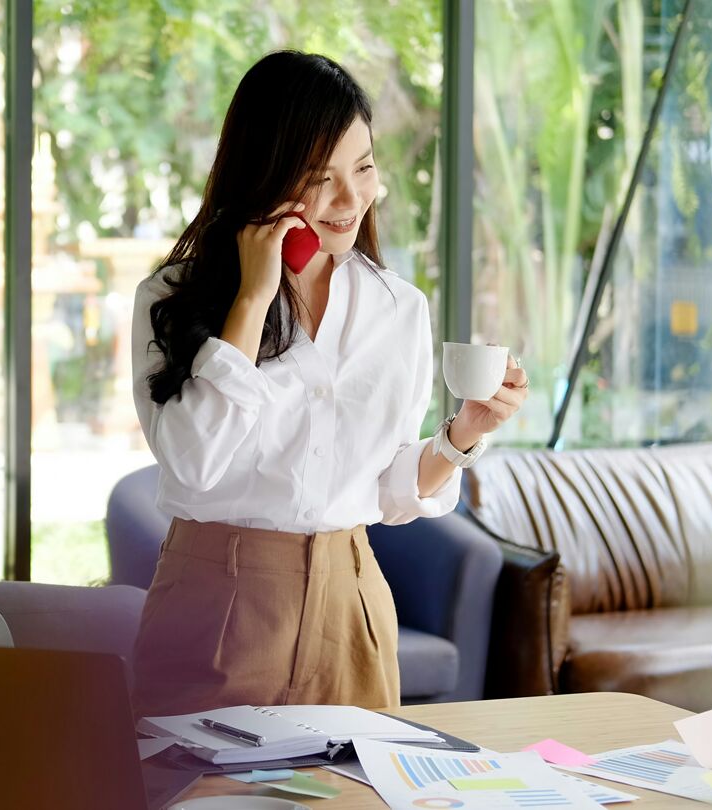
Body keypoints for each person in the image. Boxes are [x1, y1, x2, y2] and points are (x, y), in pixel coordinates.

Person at [129, 50, 528, 719]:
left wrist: (462, 436)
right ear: (267, 176)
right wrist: (252, 300)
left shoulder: (400, 310)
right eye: (321, 178)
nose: (351, 199)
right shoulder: (171, 298)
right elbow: (192, 465)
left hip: (353, 607)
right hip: (218, 606)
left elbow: (390, 493)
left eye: (364, 167)